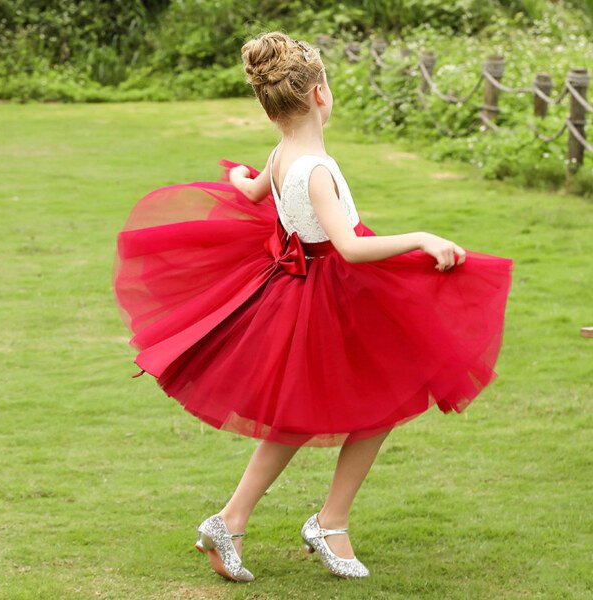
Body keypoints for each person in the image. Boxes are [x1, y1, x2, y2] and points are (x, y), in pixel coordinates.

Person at [112, 31, 513, 583]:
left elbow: (252, 190)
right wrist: (420, 237)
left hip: (311, 291)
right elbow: (349, 246)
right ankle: (318, 521)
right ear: (320, 94)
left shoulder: (283, 155)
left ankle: (251, 520)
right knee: (380, 397)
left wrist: (235, 175)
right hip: (334, 293)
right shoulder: (315, 169)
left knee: (318, 408)